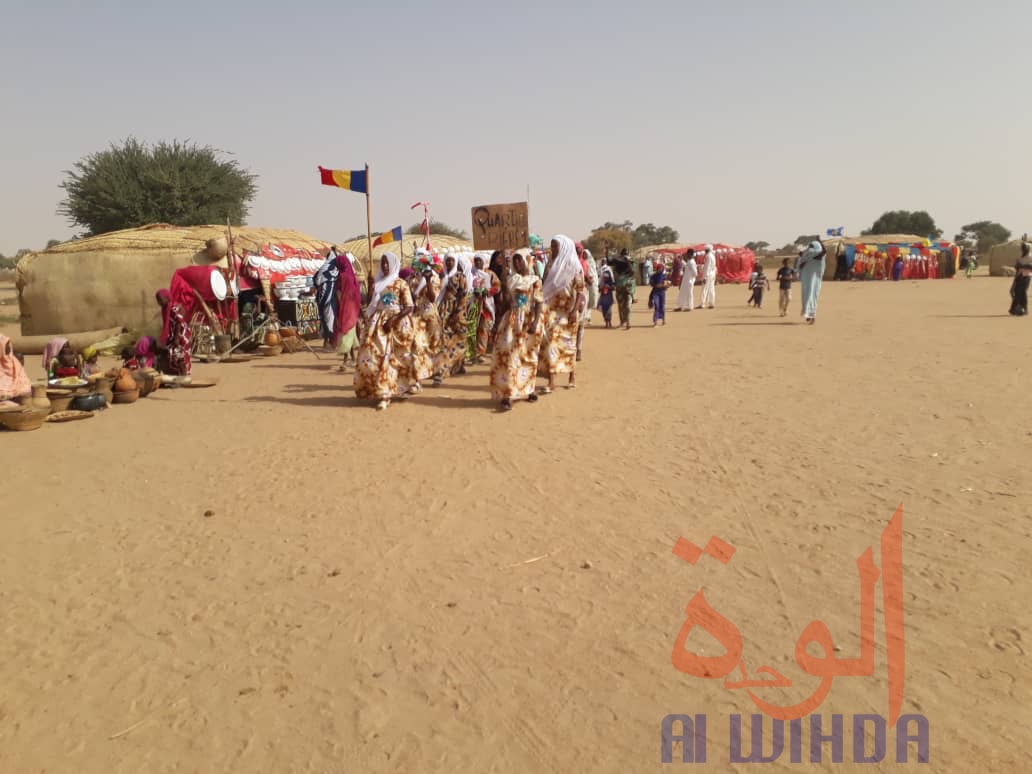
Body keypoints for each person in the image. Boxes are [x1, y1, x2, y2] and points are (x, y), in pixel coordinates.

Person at [353, 252, 416, 410]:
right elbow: (371, 303)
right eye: (382, 263)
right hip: (377, 323)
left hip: (396, 324)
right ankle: (377, 389)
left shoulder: (401, 283)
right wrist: (370, 287)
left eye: (387, 263)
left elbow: (409, 306)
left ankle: (386, 394)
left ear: (394, 264)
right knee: (373, 357)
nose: (385, 266)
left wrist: (393, 320)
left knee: (392, 359)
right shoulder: (378, 283)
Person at [489, 253, 544, 411]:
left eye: (520, 259)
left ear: (527, 260)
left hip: (528, 321)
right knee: (510, 356)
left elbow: (539, 303)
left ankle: (528, 389)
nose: (517, 262)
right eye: (515, 259)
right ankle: (509, 395)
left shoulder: (535, 280)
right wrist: (504, 288)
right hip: (511, 321)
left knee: (527, 357)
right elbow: (506, 303)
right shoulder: (512, 280)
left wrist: (535, 322)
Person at [539, 235, 586, 393]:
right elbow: (544, 286)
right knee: (551, 344)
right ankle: (551, 381)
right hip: (553, 311)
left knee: (569, 345)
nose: (552, 249)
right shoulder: (551, 265)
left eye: (555, 246)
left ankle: (572, 376)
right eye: (552, 246)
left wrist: (574, 311)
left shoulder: (575, 266)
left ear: (564, 247)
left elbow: (580, 291)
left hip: (569, 311)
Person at [433, 253, 472, 386]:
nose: (449, 263)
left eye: (451, 260)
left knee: (459, 341)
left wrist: (457, 313)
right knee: (444, 342)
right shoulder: (440, 276)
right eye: (447, 260)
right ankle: (442, 371)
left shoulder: (459, 276)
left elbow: (463, 295)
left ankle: (457, 366)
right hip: (443, 311)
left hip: (457, 313)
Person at [410, 254, 442, 388]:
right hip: (418, 317)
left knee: (434, 346)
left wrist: (427, 281)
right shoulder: (413, 280)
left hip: (431, 317)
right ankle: (418, 380)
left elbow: (433, 298)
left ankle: (436, 373)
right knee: (417, 346)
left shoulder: (434, 278)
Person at [156, 289, 192, 376]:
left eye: (161, 299)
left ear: (167, 298)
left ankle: (183, 374)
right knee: (171, 353)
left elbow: (179, 322)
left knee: (178, 354)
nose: (159, 302)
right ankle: (177, 373)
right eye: (158, 300)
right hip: (173, 334)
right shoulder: (165, 309)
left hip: (181, 334)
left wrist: (176, 338)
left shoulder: (174, 307)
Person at [472, 255, 500, 363]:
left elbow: (497, 286)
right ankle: (472, 352)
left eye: (480, 260)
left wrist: (488, 291)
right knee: (473, 328)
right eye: (476, 260)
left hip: (485, 305)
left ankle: (481, 352)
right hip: (473, 304)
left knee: (483, 328)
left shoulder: (490, 274)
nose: (478, 262)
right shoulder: (471, 273)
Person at [796, 240, 827, 324]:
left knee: (813, 297)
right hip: (807, 281)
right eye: (810, 246)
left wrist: (820, 242)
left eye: (812, 247)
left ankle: (812, 315)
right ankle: (808, 314)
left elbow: (824, 251)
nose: (810, 249)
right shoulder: (807, 256)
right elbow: (800, 263)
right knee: (806, 297)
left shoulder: (819, 256)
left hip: (815, 281)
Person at [0, 333, 31, 401]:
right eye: (5, 345)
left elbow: (24, 382)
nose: (9, 347)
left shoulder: (14, 361)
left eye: (9, 344)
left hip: (18, 397)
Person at [611, 252, 635, 330]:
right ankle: (622, 322)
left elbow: (632, 272)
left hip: (628, 290)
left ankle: (628, 323)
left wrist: (627, 261)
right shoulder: (617, 267)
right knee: (621, 306)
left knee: (627, 306)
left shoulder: (630, 265)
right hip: (619, 289)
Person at [1009, 242, 1032, 316]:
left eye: (1024, 248)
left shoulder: (1030, 257)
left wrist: (1023, 266)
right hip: (1019, 276)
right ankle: (1015, 308)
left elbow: (1030, 267)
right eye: (1023, 248)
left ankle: (1024, 309)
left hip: (1026, 276)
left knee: (1023, 292)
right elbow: (1017, 267)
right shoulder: (1020, 258)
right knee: (1016, 291)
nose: (1023, 249)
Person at [648, 260, 670, 326]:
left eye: (661, 268)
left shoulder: (664, 276)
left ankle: (663, 320)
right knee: (657, 306)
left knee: (662, 307)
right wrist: (655, 285)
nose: (659, 270)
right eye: (658, 268)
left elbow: (666, 285)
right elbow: (651, 283)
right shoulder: (653, 276)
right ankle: (655, 321)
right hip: (655, 293)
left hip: (662, 293)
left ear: (663, 269)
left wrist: (664, 286)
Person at [597, 261, 616, 328]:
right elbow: (599, 289)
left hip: (609, 297)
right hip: (603, 298)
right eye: (604, 277)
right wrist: (602, 288)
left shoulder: (611, 281)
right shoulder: (601, 282)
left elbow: (614, 287)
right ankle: (606, 322)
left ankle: (609, 322)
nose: (605, 278)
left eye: (606, 277)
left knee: (609, 310)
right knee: (604, 310)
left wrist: (609, 287)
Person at [699, 245, 717, 309]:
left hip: (708, 274)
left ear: (707, 250)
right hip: (712, 274)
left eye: (705, 250)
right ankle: (711, 303)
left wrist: (705, 277)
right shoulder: (713, 256)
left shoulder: (708, 256)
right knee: (711, 289)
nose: (705, 251)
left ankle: (702, 304)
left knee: (704, 289)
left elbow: (707, 267)